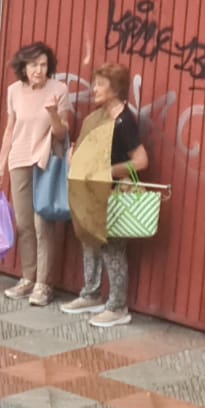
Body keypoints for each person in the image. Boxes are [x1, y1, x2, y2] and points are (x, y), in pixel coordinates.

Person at [61, 63, 148, 328]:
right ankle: (91, 293)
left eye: (100, 84)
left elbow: (142, 160)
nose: (94, 89)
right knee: (89, 238)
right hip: (92, 192)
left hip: (113, 194)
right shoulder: (99, 116)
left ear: (116, 89)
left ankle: (118, 306)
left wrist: (109, 170)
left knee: (112, 248)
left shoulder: (124, 121)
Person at [0, 42, 73, 306]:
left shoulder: (59, 90)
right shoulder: (13, 91)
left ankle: (43, 284)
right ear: (23, 66)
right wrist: (0, 167)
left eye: (44, 65)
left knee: (42, 224)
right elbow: (9, 129)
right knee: (24, 223)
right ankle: (27, 277)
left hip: (45, 161)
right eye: (34, 64)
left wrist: (53, 114)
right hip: (19, 159)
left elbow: (62, 133)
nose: (39, 70)